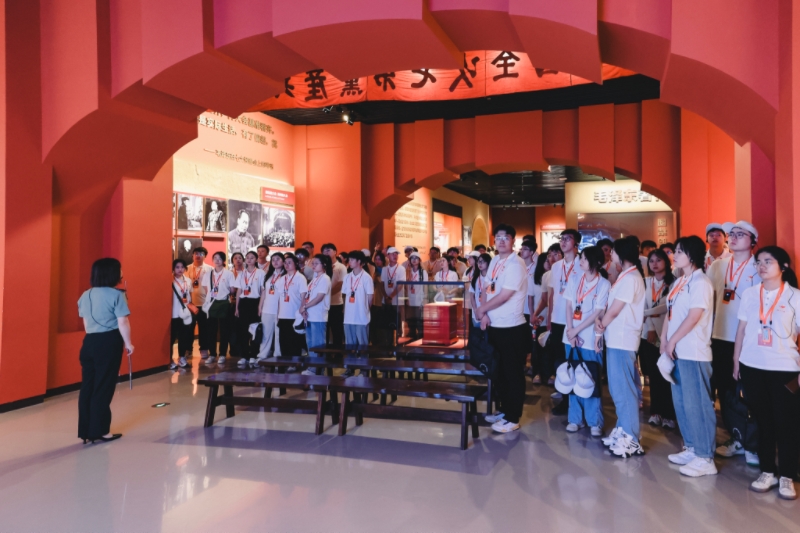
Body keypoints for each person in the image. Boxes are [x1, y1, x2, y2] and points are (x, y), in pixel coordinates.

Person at [733, 246, 800, 500]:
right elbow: (741, 330)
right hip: (752, 365)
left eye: (768, 261)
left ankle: (787, 476)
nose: (761, 266)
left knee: (787, 424)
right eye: (759, 262)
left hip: (784, 368)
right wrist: (736, 361)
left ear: (783, 267)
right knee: (762, 421)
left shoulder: (795, 297)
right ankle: (767, 471)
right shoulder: (750, 294)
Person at [660, 236, 717, 477]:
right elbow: (670, 313)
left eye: (679, 251)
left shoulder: (701, 282)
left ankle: (705, 457)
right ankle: (692, 447)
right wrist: (664, 340)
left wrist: (672, 340)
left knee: (698, 405)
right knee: (682, 402)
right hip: (676, 351)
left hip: (693, 351)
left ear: (692, 255)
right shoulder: (679, 281)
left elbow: (694, 316)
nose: (674, 255)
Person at [709, 221, 761, 464]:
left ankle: (753, 442)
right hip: (720, 336)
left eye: (741, 234)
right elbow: (710, 300)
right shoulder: (718, 266)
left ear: (753, 242)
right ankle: (736, 437)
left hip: (748, 339)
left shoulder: (758, 266)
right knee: (726, 391)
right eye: (732, 234)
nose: (734, 237)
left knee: (749, 392)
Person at [474, 224, 530, 433]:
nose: (502, 241)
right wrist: (484, 314)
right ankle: (505, 410)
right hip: (495, 325)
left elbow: (505, 295)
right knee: (500, 373)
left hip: (512, 327)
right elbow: (487, 288)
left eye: (506, 237)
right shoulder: (496, 260)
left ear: (513, 240)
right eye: (498, 237)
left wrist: (482, 309)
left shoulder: (516, 264)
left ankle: (513, 418)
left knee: (513, 373)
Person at [595, 237, 646, 458]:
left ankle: (632, 438)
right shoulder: (625, 276)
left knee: (624, 389)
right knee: (617, 388)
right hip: (616, 338)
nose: (611, 255)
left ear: (621, 254)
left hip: (623, 339)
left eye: (613, 252)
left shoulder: (631, 278)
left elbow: (615, 310)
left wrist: (599, 327)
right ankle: (623, 430)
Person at [77, 258, 133, 444]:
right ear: (112, 273)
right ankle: (101, 431)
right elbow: (122, 322)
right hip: (109, 342)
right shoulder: (117, 295)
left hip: (89, 342)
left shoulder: (85, 295)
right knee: (103, 386)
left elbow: (86, 323)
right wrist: (128, 344)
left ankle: (86, 431)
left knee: (88, 387)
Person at [563, 246, 611, 436]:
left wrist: (576, 330)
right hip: (571, 337)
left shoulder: (604, 284)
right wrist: (570, 331)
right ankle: (575, 419)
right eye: (580, 258)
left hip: (590, 338)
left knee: (590, 378)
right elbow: (568, 305)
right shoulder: (575, 278)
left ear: (596, 262)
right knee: (573, 377)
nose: (580, 261)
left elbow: (598, 312)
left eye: (584, 258)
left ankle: (595, 421)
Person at [639, 249, 676, 428]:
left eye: (658, 260)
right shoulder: (646, 282)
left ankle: (670, 414)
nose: (654, 264)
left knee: (668, 375)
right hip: (648, 334)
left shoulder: (674, 282)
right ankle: (656, 412)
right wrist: (651, 327)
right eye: (651, 261)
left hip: (668, 334)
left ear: (666, 262)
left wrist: (646, 314)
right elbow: (643, 306)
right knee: (654, 376)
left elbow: (667, 307)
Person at [549, 229, 581, 416]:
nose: (563, 242)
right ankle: (565, 399)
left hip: (574, 321)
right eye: (562, 239)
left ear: (576, 244)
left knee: (574, 361)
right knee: (560, 362)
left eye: (568, 239)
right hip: (557, 319)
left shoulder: (582, 264)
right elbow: (553, 293)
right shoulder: (555, 266)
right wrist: (550, 319)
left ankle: (576, 401)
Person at [342, 251, 375, 376]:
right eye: (349, 260)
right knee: (349, 344)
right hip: (348, 317)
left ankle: (364, 369)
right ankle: (350, 368)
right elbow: (345, 295)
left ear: (359, 262)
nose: (349, 262)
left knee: (363, 345)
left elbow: (370, 297)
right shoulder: (347, 277)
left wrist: (365, 310)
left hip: (361, 316)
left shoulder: (366, 277)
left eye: (352, 260)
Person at [299, 254, 332, 375]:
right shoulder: (314, 278)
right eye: (312, 263)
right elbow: (308, 296)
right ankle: (312, 367)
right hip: (310, 315)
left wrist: (305, 306)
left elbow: (319, 297)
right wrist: (304, 309)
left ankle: (318, 369)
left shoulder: (325, 278)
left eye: (316, 263)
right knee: (310, 343)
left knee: (318, 344)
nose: (313, 265)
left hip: (318, 316)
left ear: (324, 265)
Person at [202, 252, 236, 365]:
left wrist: (222, 292)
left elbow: (232, 289)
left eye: (220, 258)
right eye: (215, 258)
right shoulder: (208, 273)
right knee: (211, 331)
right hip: (211, 304)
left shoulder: (228, 273)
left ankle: (222, 354)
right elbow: (205, 288)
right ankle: (212, 354)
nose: (217, 260)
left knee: (224, 330)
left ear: (224, 260)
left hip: (224, 303)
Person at [234, 251, 265, 366]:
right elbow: (239, 291)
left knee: (255, 330)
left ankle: (253, 355)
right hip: (243, 303)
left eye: (252, 258)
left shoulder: (260, 272)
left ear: (256, 260)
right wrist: (237, 308)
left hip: (255, 302)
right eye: (247, 258)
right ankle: (244, 356)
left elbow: (263, 290)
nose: (249, 260)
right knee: (243, 331)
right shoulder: (241, 273)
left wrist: (260, 306)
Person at [276, 253, 308, 356]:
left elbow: (304, 296)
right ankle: (285, 361)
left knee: (294, 341)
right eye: (285, 263)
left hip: (295, 314)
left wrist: (302, 310)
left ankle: (295, 362)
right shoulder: (282, 279)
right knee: (283, 341)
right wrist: (278, 314)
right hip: (283, 315)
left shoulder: (300, 277)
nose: (286, 265)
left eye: (289, 262)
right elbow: (279, 298)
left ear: (296, 264)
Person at [256, 252, 285, 362]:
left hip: (280, 310)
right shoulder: (268, 275)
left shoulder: (285, 276)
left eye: (278, 259)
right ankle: (262, 355)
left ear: (283, 261)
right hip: (267, 309)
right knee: (265, 334)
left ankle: (278, 357)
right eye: (273, 260)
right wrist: (260, 306)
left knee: (278, 335)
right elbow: (263, 292)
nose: (275, 262)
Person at [186, 247, 212, 358]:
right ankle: (188, 349)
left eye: (201, 254)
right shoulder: (187, 268)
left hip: (204, 304)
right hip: (190, 304)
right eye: (196, 253)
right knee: (188, 328)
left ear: (205, 256)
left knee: (204, 328)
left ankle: (204, 349)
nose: (198, 255)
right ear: (192, 255)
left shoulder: (210, 269)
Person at [530, 252, 550, 383]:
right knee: (537, 346)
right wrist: (533, 315)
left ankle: (549, 373)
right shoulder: (535, 279)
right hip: (539, 317)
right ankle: (537, 373)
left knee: (549, 347)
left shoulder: (554, 276)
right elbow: (531, 299)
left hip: (552, 316)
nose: (549, 263)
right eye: (546, 261)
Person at [322, 243, 346, 347]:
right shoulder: (321, 267)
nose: (326, 253)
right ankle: (326, 352)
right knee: (325, 330)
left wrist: (325, 294)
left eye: (328, 250)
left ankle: (338, 352)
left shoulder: (341, 267)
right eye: (324, 251)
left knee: (337, 330)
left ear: (335, 252)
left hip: (336, 303)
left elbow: (341, 284)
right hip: (323, 304)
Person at [170, 259, 192, 370]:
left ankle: (182, 357)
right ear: (173, 268)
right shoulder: (170, 280)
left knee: (184, 337)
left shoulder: (188, 280)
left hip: (185, 313)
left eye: (182, 267)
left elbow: (189, 296)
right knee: (172, 338)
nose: (180, 269)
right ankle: (169, 359)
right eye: (177, 267)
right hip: (173, 313)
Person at [381, 247, 407, 341]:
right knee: (387, 323)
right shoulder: (384, 269)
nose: (395, 256)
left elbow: (400, 285)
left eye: (396, 254)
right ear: (388, 256)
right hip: (386, 301)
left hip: (397, 301)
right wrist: (386, 297)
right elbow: (382, 284)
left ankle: (398, 342)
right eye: (393, 254)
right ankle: (388, 343)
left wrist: (391, 297)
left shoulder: (401, 269)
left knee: (398, 323)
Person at [405, 251, 429, 339]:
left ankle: (420, 336)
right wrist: (406, 298)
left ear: (419, 260)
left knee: (419, 319)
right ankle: (412, 334)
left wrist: (424, 299)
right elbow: (405, 286)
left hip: (419, 298)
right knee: (411, 319)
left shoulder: (423, 272)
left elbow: (425, 287)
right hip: (410, 298)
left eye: (416, 258)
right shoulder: (408, 271)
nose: (414, 260)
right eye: (412, 258)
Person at [469, 253, 492, 329]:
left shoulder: (492, 278)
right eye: (479, 261)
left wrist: (484, 313)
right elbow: (471, 296)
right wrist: (476, 310)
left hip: (489, 313)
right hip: (476, 313)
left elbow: (491, 295)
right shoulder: (475, 278)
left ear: (488, 262)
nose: (480, 264)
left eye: (483, 261)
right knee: (477, 333)